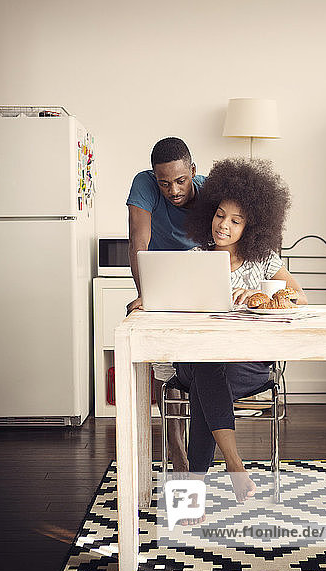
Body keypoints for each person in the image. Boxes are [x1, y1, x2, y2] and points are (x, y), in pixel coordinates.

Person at [175, 157, 308, 507]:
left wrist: (260, 295)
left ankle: (192, 494)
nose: (224, 225)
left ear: (252, 226)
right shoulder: (195, 257)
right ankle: (235, 464)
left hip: (246, 364)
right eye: (220, 215)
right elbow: (173, 306)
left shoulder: (263, 260)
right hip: (197, 360)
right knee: (207, 366)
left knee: (208, 384)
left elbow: (299, 297)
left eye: (236, 220)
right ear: (209, 214)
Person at [126, 137, 205, 472]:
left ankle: (201, 450)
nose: (173, 190)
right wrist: (146, 295)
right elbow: (138, 241)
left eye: (180, 180)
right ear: (154, 176)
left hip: (201, 280)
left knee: (200, 363)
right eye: (165, 182)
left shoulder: (210, 189)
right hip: (159, 282)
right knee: (163, 362)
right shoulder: (143, 184)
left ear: (193, 171)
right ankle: (175, 444)